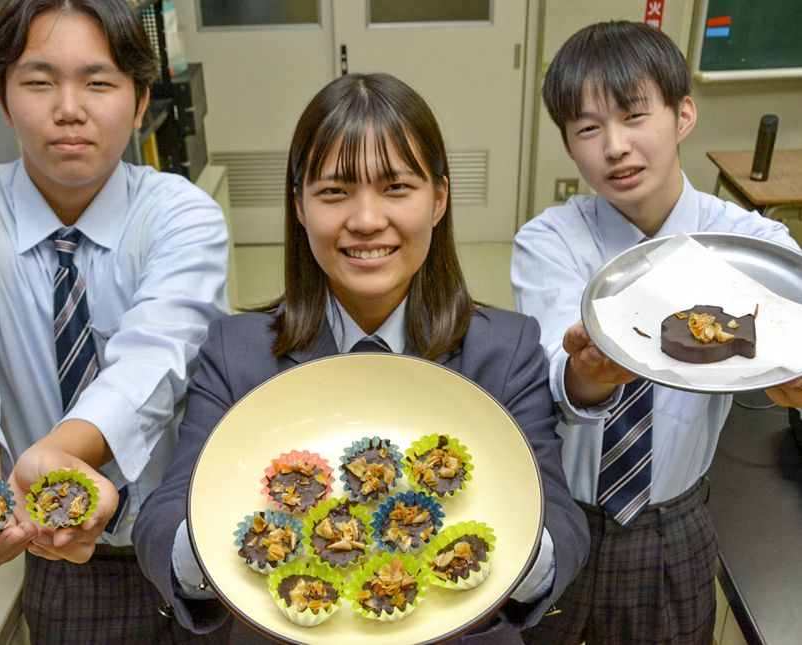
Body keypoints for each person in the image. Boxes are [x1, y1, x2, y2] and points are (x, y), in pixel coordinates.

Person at [133, 72, 589, 644]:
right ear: (298, 205)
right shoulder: (236, 350)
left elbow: (565, 524)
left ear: (440, 198)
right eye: (334, 191)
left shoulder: (509, 347)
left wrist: (516, 537)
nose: (367, 219)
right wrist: (216, 542)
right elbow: (162, 516)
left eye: (397, 187)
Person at [0, 0, 230, 641]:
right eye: (39, 80)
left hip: (187, 526)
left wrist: (56, 452)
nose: (69, 107)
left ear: (139, 103)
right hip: (55, 547)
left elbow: (156, 354)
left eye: (98, 81)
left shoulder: (180, 215)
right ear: (2, 98)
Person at [511, 21, 802, 644]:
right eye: (588, 128)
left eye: (635, 115)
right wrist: (586, 376)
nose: (615, 146)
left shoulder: (756, 248)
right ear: (568, 144)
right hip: (562, 515)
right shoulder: (550, 242)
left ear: (683, 114)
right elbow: (553, 377)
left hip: (675, 521)